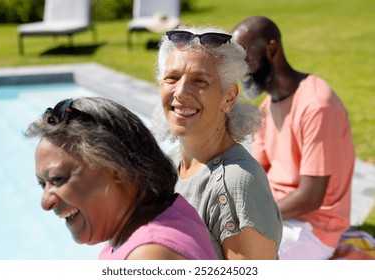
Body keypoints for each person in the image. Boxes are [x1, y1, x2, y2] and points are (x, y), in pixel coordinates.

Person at [24, 97, 218, 260]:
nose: (46, 202)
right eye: (42, 184)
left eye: (58, 179)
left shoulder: (149, 255)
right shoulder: (160, 218)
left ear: (116, 167)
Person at [152, 26, 283, 260]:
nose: (180, 92)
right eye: (171, 78)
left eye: (200, 81)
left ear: (229, 97)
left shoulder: (236, 184)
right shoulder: (169, 163)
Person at [232, 16, 355, 259]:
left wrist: (251, 217)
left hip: (313, 227)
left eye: (245, 59)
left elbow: (310, 198)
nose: (240, 71)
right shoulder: (268, 105)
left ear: (272, 49)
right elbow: (257, 172)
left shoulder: (317, 104)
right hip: (277, 215)